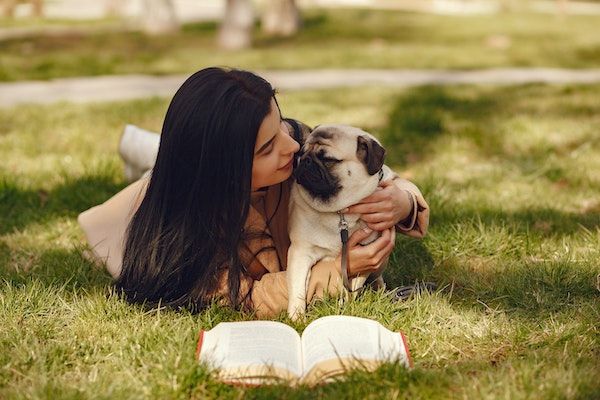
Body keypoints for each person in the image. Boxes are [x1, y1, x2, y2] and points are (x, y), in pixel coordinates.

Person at [77, 67, 430, 319]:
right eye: (266, 149)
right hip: (175, 198)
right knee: (163, 168)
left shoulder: (295, 148)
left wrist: (402, 201)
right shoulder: (187, 236)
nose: (291, 146)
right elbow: (246, 297)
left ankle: (146, 145)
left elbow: (375, 174)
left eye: (280, 125)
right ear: (226, 171)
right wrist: (340, 271)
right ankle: (146, 150)